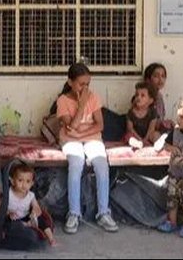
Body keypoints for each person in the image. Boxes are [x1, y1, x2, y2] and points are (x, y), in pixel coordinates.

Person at [56, 62, 118, 234]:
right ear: (70, 82)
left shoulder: (94, 97)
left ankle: (103, 212)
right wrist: (82, 104)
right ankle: (74, 213)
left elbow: (100, 126)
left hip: (89, 138)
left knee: (101, 164)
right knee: (76, 163)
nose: (85, 88)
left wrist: (79, 134)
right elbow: (72, 126)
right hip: (71, 139)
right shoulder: (62, 101)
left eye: (87, 84)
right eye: (81, 84)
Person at [157, 106, 183, 238]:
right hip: (174, 174)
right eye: (178, 116)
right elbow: (165, 145)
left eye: (182, 117)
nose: (178, 119)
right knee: (172, 199)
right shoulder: (175, 132)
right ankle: (172, 222)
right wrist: (172, 148)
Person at [8, 163, 56, 246]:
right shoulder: (8, 193)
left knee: (41, 220)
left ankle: (51, 238)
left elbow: (38, 209)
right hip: (13, 218)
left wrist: (35, 211)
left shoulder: (30, 195)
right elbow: (0, 208)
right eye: (20, 180)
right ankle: (27, 227)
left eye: (28, 181)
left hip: (26, 217)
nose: (24, 184)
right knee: (11, 224)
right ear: (12, 181)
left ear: (32, 184)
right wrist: (9, 213)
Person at [124, 81, 161, 149]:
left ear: (150, 100)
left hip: (148, 136)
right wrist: (140, 139)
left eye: (142, 95)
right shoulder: (131, 113)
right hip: (136, 137)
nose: (138, 97)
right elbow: (130, 129)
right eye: (137, 95)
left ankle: (157, 146)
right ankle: (137, 144)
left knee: (156, 135)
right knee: (128, 136)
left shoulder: (152, 112)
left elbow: (151, 129)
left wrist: (145, 139)